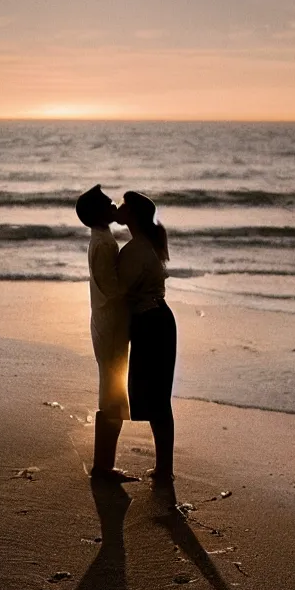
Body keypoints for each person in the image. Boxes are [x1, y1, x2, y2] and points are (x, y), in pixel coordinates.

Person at [75, 185, 138, 482]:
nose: (114, 204)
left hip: (108, 322)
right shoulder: (102, 244)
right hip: (110, 323)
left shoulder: (102, 239)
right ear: (100, 213)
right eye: (108, 202)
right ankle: (103, 467)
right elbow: (112, 288)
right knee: (112, 394)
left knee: (112, 391)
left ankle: (104, 465)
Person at [117, 191, 177, 483]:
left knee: (158, 398)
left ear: (134, 216)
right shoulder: (143, 245)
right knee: (159, 398)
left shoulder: (135, 250)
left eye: (124, 206)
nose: (119, 207)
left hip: (151, 322)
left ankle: (165, 469)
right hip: (158, 320)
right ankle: (164, 468)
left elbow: (119, 292)